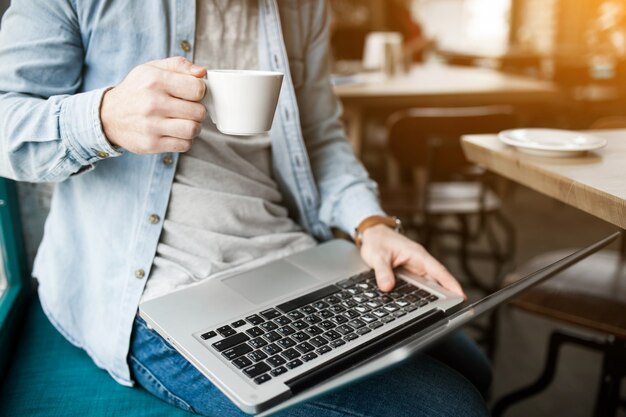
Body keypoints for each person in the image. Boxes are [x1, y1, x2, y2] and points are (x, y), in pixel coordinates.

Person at [0, 1, 491, 416]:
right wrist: (103, 118)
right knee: (450, 406)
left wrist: (372, 224)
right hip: (156, 287)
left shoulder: (303, 8)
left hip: (293, 256)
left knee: (475, 368)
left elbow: (320, 139)